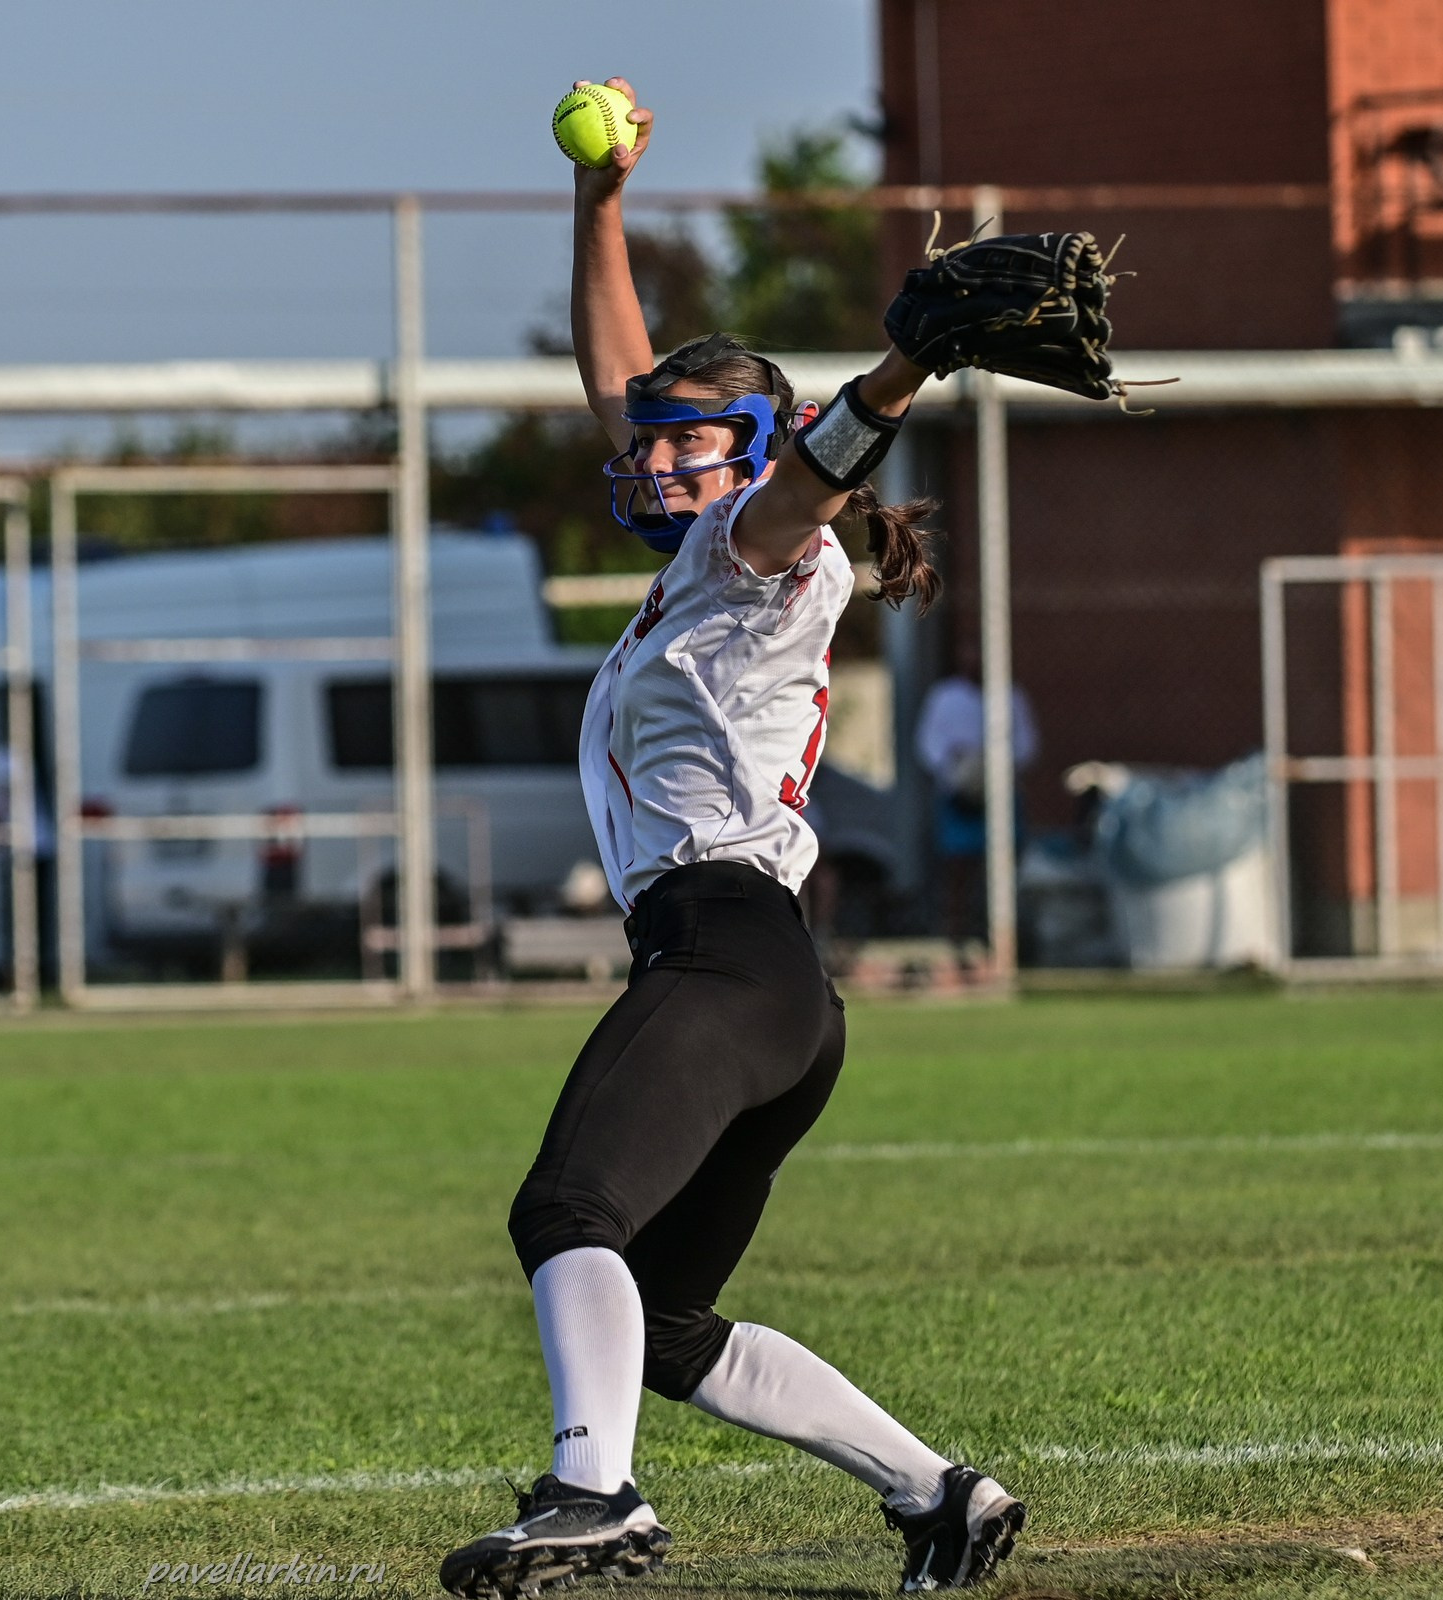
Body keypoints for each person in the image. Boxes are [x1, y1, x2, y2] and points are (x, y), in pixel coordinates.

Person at [438, 77, 1025, 1598]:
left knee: (566, 1212)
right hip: (768, 985)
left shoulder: (768, 540)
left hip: (724, 954)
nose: (649, 458)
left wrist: (907, 359)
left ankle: (597, 1493)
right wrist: (603, 201)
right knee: (668, 1317)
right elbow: (624, 373)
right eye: (654, 444)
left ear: (753, 451)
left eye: (689, 444)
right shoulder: (703, 559)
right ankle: (940, 1497)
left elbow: (817, 464)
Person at [914, 633, 1038, 955]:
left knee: (1003, 865)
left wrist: (996, 766)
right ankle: (955, 935)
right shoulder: (945, 697)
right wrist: (958, 767)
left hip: (1001, 795)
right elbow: (928, 745)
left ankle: (1003, 938)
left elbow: (1026, 746)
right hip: (959, 797)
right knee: (958, 867)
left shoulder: (1011, 697)